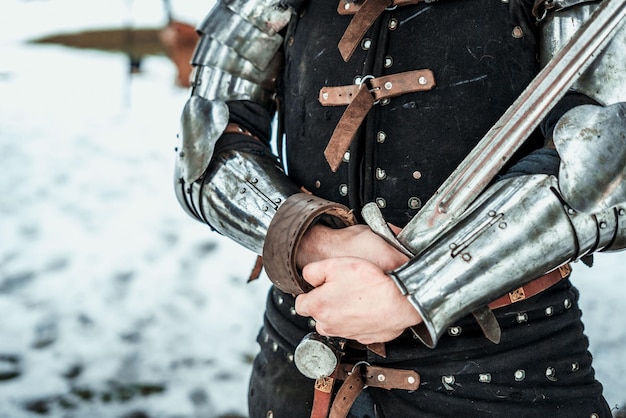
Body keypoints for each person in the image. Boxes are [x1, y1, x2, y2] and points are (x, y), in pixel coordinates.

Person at [173, 0, 625, 416]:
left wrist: (418, 291)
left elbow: (604, 164)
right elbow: (204, 148)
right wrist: (312, 239)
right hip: (301, 360)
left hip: (499, 372)